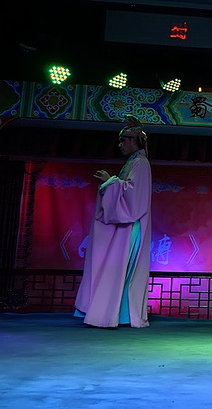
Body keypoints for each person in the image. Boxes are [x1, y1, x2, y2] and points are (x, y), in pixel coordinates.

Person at [74, 115, 153, 328]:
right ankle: (114, 314)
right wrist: (113, 182)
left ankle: (116, 315)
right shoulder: (133, 163)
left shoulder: (141, 163)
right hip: (125, 225)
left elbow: (134, 197)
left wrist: (111, 181)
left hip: (131, 225)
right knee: (115, 270)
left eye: (123, 141)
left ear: (133, 141)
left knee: (119, 270)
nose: (120, 145)